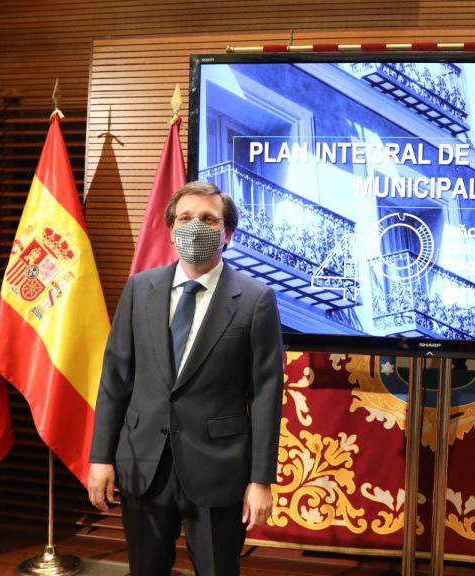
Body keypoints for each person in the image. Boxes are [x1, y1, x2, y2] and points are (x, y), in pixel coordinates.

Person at [88, 181, 285, 576]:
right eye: (185, 218)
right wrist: (100, 457)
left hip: (219, 469)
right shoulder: (140, 288)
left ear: (227, 234)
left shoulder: (255, 298)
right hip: (143, 464)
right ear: (171, 228)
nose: (195, 226)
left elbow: (266, 392)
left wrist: (261, 480)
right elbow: (115, 377)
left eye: (209, 219)